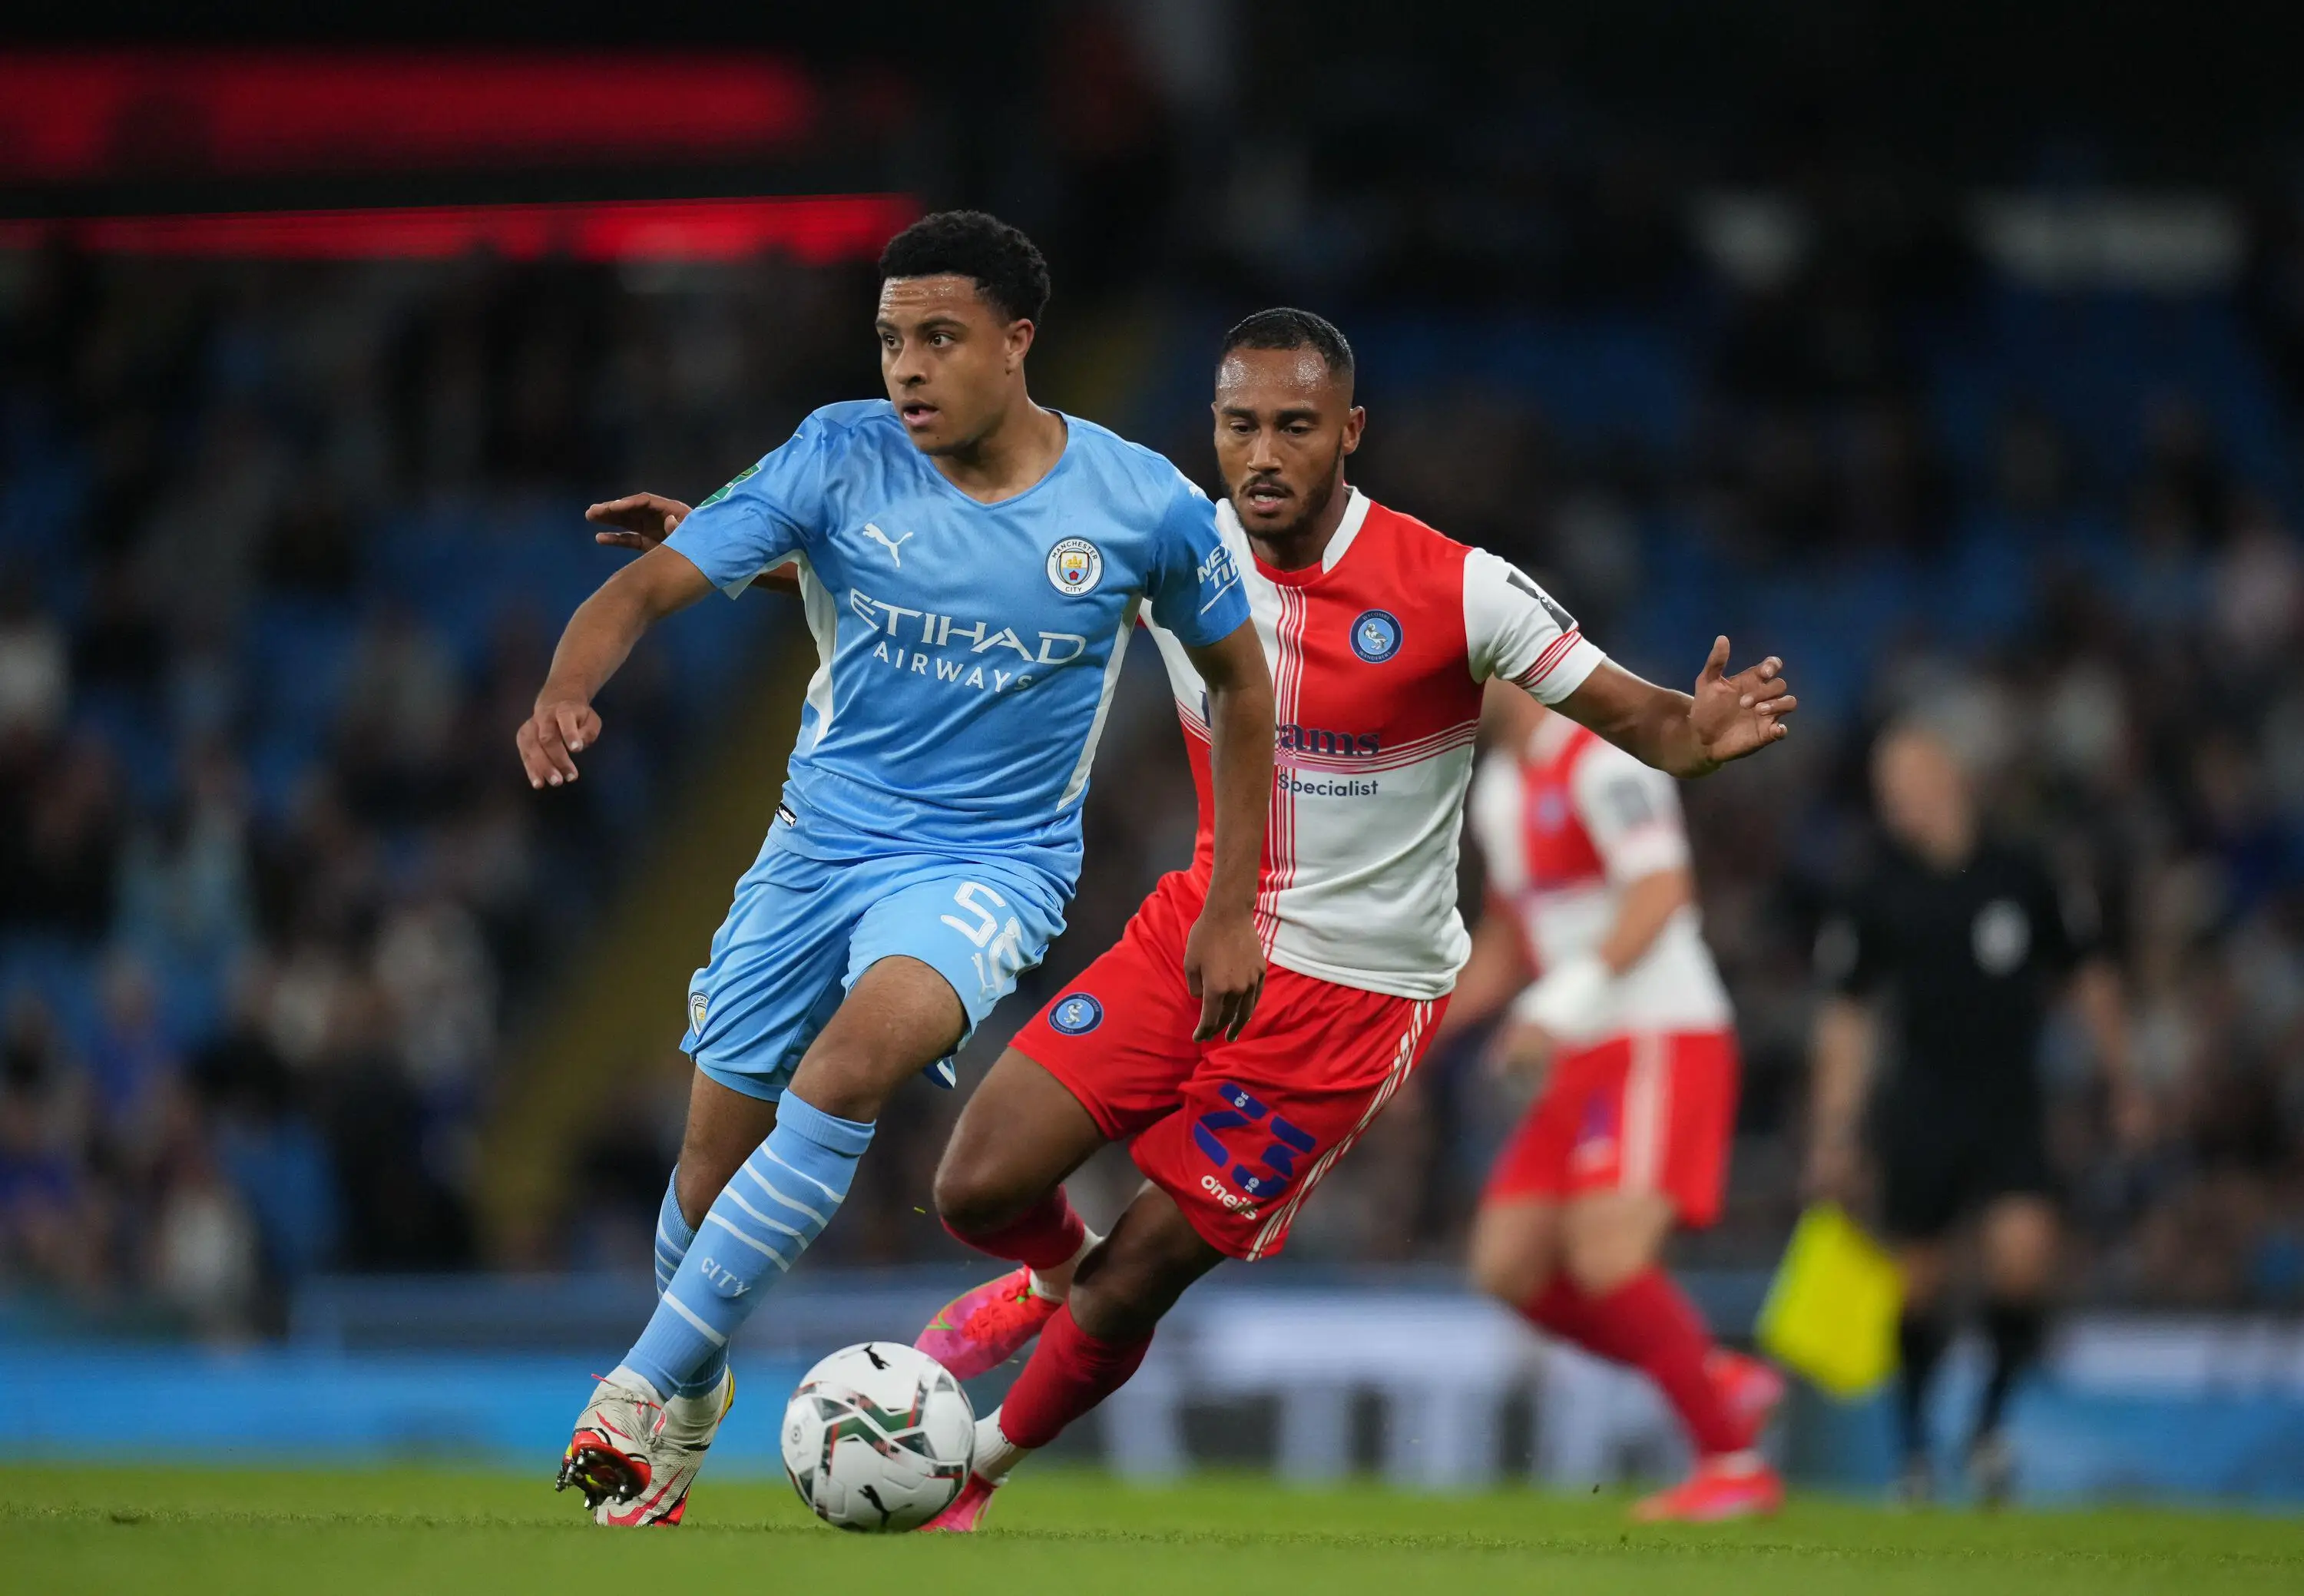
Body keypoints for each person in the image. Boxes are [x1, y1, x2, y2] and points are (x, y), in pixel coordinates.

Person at [907, 309, 1799, 1530]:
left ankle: (973, 1472)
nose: (1262, 453)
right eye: (1239, 426)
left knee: (1144, 1271)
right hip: (1198, 930)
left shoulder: (1457, 586)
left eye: (1293, 425)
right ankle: (1043, 1274)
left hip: (1350, 998)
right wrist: (777, 555)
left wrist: (1705, 732)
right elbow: (980, 577)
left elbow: (1651, 724)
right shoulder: (1177, 549)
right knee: (975, 1182)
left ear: (1350, 434)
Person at [524, 210, 1274, 1528]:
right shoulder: (837, 455)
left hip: (990, 862)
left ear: (1017, 341)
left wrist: (1230, 901)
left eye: (938, 337)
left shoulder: (1139, 500)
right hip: (815, 849)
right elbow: (641, 589)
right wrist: (564, 693)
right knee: (705, 1180)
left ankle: (638, 1386)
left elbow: (1243, 686)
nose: (907, 369)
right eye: (889, 340)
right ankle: (694, 1395)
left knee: (858, 1061)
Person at [1444, 681, 1783, 1521]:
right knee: (1507, 1264)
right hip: (1578, 1051)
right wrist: (1421, 1027)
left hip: (1658, 1032)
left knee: (1609, 1255)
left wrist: (1558, 1006)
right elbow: (1508, 939)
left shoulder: (1603, 758)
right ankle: (1707, 1376)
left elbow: (1662, 890)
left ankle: (1732, 1462)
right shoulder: (1500, 787)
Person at [1807, 720, 2141, 1505]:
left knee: (2024, 1255)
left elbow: (2088, 972)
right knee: (1917, 1282)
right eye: (1887, 791)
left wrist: (2122, 1077)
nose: (1897, 803)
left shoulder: (2023, 870)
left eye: (1908, 783)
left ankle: (1989, 1426)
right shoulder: (1874, 887)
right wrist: (1834, 1127)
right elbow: (1847, 1018)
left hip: (2010, 1097)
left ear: (1949, 776)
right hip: (1920, 1103)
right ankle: (1917, 1448)